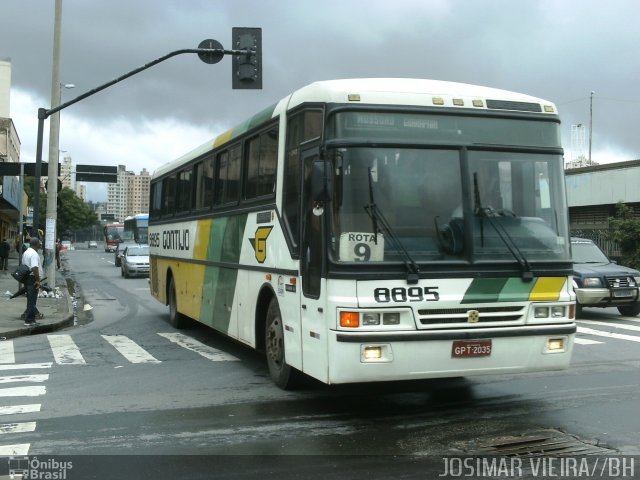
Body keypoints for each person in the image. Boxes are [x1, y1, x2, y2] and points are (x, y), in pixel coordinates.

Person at [22, 237, 44, 326]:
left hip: (27, 278)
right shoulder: (34, 254)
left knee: (30, 299)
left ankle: (31, 319)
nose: (40, 245)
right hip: (32, 279)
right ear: (36, 244)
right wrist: (38, 280)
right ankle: (29, 320)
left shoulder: (26, 252)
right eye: (39, 243)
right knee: (32, 300)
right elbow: (34, 268)